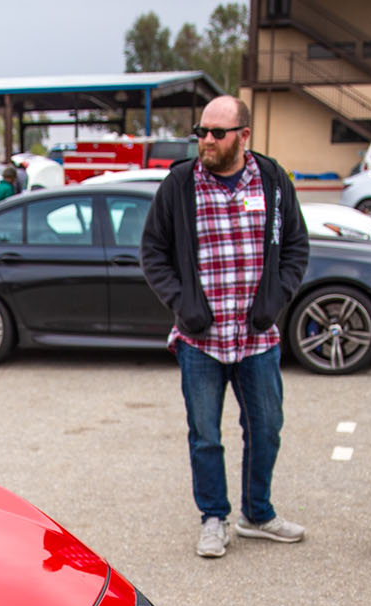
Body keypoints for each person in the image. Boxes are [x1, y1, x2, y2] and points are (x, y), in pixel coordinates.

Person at [139, 94, 309, 558]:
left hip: (258, 339)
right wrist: (181, 303)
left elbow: (295, 246)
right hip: (201, 341)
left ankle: (258, 514)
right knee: (206, 435)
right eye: (202, 131)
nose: (206, 140)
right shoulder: (179, 185)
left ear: (244, 136)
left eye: (217, 132)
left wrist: (276, 300)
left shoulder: (272, 179)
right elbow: (152, 252)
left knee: (266, 428)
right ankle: (214, 517)